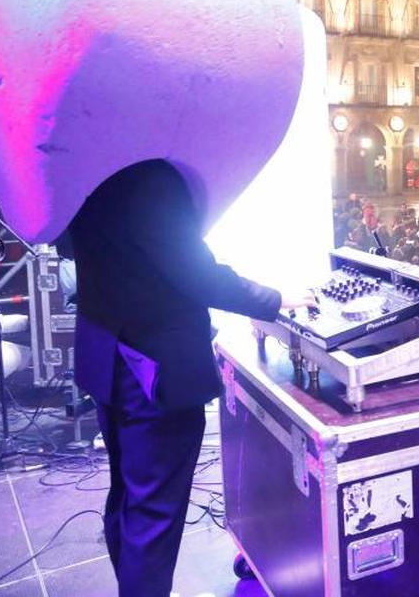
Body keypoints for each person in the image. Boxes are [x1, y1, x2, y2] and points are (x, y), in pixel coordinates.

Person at [69, 160, 311, 597]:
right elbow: (198, 274)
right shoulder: (152, 176)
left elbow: (73, 247)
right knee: (154, 512)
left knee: (126, 494)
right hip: (151, 372)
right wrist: (275, 300)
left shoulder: (94, 168)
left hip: (106, 357)